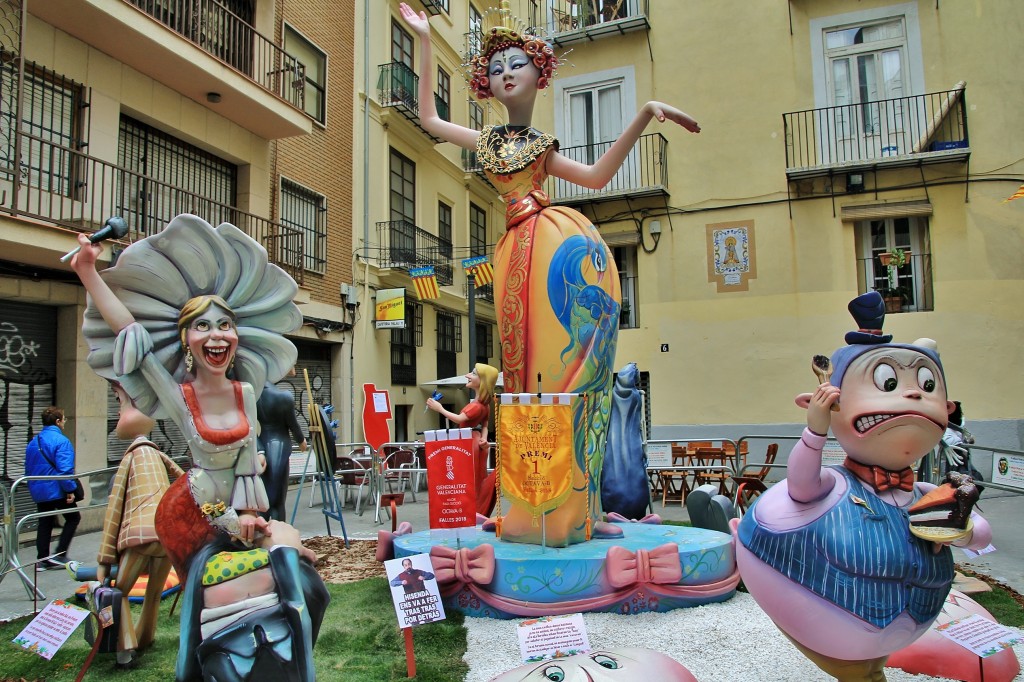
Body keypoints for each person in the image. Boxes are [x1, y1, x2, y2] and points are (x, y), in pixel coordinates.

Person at [400, 2, 700, 546]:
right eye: (495, 68)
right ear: (487, 86)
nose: (506, 72)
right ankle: (520, 505)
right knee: (518, 373)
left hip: (551, 241)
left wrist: (643, 113)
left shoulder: (541, 147)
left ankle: (582, 506)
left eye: (516, 63)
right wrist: (423, 41)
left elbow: (596, 175)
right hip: (515, 250)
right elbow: (428, 121)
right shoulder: (489, 141)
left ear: (540, 75)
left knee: (567, 372)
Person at [71, 214, 326, 682]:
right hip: (191, 508)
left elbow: (249, 468)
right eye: (203, 327)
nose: (217, 336)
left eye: (225, 325)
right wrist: (89, 271)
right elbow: (132, 335)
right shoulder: (180, 394)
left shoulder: (244, 393)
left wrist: (251, 517)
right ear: (187, 340)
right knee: (288, 564)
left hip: (233, 508)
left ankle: (285, 652)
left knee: (305, 571)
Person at [96, 382, 184, 668]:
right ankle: (146, 637)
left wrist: (104, 558)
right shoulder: (159, 454)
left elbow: (113, 510)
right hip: (165, 535)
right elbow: (185, 481)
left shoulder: (131, 457)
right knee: (154, 593)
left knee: (119, 590)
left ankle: (125, 649)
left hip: (138, 535)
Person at [425, 363, 498, 516]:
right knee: (477, 478)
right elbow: (485, 425)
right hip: (475, 442)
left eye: (473, 373)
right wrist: (483, 439)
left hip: (468, 443)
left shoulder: (476, 406)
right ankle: (476, 509)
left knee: (467, 479)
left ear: (482, 380)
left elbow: (459, 419)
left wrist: (440, 408)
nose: (468, 376)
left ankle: (472, 510)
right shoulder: (485, 404)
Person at [25, 406, 80, 570]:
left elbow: (28, 468)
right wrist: (70, 489)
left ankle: (42, 560)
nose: (65, 422)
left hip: (39, 489)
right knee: (73, 518)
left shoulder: (34, 441)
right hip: (56, 488)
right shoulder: (62, 441)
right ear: (57, 421)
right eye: (64, 419)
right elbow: (64, 470)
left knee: (45, 522)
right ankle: (60, 555)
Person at [257, 367, 308, 522]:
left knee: (265, 492)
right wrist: (301, 440)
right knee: (278, 498)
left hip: (263, 441)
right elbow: (293, 425)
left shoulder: (254, 395)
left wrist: (259, 449)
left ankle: (265, 526)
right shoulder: (283, 396)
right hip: (280, 444)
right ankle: (279, 532)